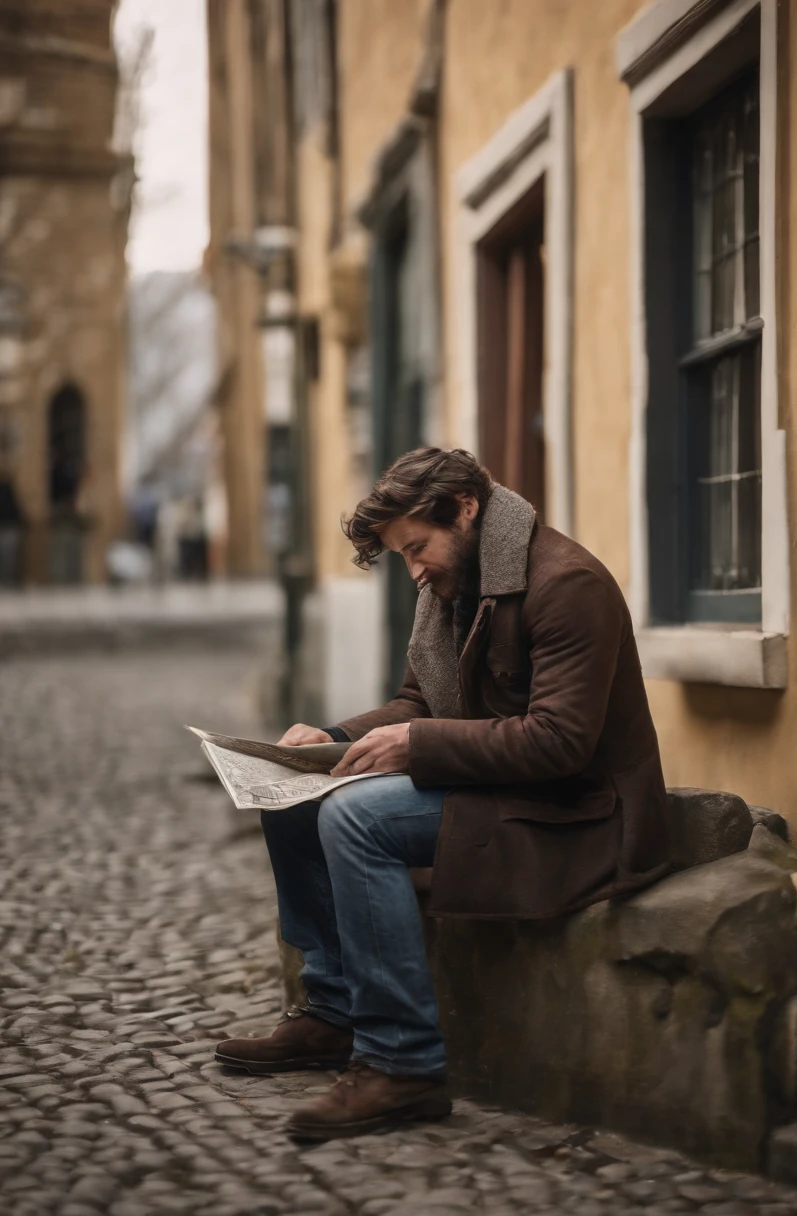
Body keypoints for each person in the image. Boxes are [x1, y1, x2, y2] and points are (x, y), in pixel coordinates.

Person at [216, 447, 670, 1141]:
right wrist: (327, 739)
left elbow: (559, 744)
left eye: (417, 547)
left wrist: (418, 746)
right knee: (300, 793)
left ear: (466, 509)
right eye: (403, 554)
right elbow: (415, 702)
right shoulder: (451, 586)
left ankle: (404, 1068)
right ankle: (332, 1017)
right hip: (498, 792)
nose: (415, 569)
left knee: (354, 819)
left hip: (576, 813)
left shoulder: (567, 584)